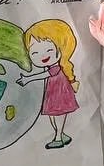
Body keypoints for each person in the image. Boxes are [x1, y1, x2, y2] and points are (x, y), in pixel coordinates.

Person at [18, 19, 79, 149]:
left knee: (58, 114)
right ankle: (61, 135)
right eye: (34, 53)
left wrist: (28, 78)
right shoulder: (51, 67)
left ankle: (58, 137)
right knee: (52, 114)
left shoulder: (56, 68)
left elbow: (46, 74)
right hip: (53, 92)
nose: (42, 56)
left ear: (61, 48)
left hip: (59, 93)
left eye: (49, 50)